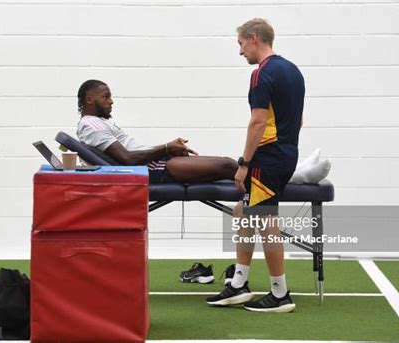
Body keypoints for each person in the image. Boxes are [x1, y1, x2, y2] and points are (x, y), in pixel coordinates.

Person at [206, 18, 305, 312]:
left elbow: (258, 121)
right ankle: (238, 284)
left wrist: (244, 163)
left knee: (265, 223)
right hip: (286, 153)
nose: (240, 52)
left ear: (253, 38)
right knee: (244, 213)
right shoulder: (294, 71)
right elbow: (298, 120)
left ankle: (280, 294)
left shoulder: (262, 74)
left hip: (266, 158)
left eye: (240, 44)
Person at [76, 79, 238, 184]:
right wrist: (167, 148)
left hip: (153, 164)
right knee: (228, 166)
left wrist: (169, 148)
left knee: (230, 168)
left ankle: (253, 204)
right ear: (89, 99)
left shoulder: (97, 123)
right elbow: (128, 158)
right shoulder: (91, 125)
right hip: (150, 169)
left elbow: (132, 153)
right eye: (106, 97)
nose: (111, 101)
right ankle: (259, 202)